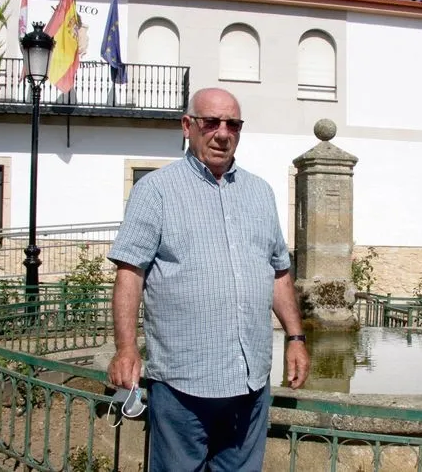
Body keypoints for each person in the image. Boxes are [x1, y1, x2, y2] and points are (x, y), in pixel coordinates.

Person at [107, 87, 310, 471]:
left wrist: (296, 338)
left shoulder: (260, 193)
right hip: (183, 383)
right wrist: (126, 348)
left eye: (233, 124)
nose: (222, 133)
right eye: (211, 122)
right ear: (188, 126)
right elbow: (130, 272)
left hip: (249, 382)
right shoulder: (156, 190)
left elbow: (278, 272)